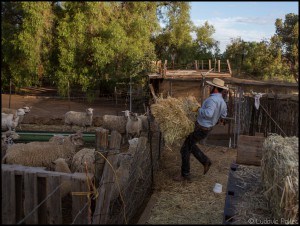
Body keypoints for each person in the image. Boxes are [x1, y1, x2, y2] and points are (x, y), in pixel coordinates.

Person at [173, 78, 229, 181]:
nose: (210, 87)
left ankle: (185, 174)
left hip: (201, 129)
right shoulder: (222, 101)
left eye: (212, 86)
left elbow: (208, 114)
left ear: (216, 88)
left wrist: (198, 109)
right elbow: (223, 115)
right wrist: (214, 120)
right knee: (190, 145)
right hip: (207, 129)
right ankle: (205, 161)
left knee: (185, 149)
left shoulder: (212, 100)